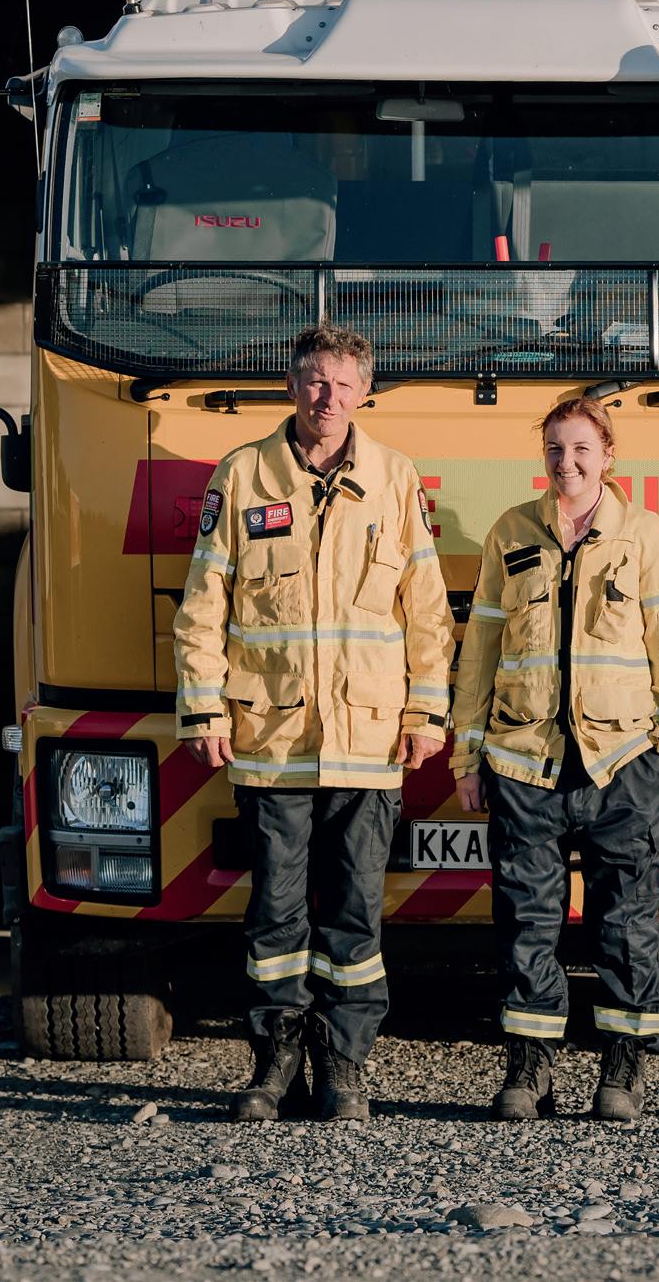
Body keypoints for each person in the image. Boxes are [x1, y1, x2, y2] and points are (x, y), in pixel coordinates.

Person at [173, 324, 454, 1122]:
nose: (327, 396)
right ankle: (274, 1064)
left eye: (341, 383)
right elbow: (203, 605)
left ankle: (344, 1067)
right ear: (291, 385)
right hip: (272, 742)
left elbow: (426, 611)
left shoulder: (395, 478)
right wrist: (202, 706)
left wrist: (425, 711)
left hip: (368, 739)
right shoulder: (243, 473)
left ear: (364, 391)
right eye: (313, 380)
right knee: (275, 915)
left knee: (355, 917)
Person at [451, 396, 659, 1122]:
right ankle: (529, 1071)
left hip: (621, 761)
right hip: (525, 761)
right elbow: (478, 651)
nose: (568, 462)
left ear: (607, 455)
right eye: (556, 449)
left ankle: (621, 1071)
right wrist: (467, 755)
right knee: (527, 922)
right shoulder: (511, 532)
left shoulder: (642, 533)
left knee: (626, 922)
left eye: (582, 448)